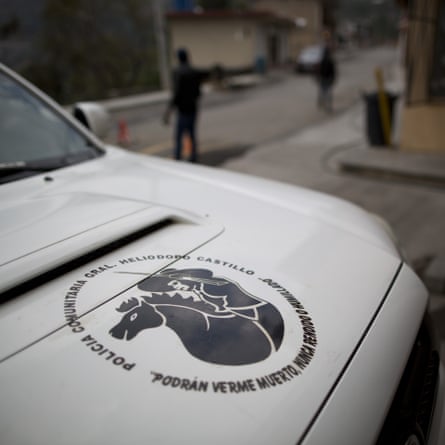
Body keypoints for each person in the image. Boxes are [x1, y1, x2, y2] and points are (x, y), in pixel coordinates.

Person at [163, 48, 201, 162]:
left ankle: (178, 157)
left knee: (179, 136)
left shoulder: (177, 72)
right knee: (192, 134)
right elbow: (198, 93)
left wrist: (168, 111)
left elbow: (176, 94)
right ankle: (193, 156)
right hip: (193, 108)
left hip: (183, 110)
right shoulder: (193, 71)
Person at [317, 45, 336, 112]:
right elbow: (333, 71)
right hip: (327, 79)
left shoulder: (323, 61)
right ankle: (327, 106)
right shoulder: (329, 60)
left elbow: (319, 71)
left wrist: (318, 78)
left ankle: (325, 104)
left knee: (324, 93)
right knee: (327, 93)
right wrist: (333, 79)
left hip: (324, 79)